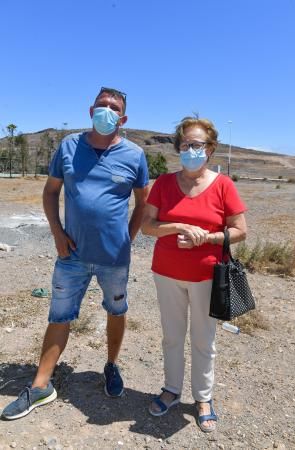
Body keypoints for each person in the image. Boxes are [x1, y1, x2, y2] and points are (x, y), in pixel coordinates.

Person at [2, 87, 149, 420]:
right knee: (60, 314)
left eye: (114, 108)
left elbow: (143, 203)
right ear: (91, 110)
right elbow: (51, 192)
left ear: (122, 118)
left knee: (116, 309)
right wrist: (57, 233)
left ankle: (111, 366)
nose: (107, 111)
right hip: (72, 254)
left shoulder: (134, 155)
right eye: (102, 105)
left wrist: (128, 238)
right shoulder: (69, 146)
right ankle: (41, 384)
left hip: (115, 258)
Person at [141, 116, 247, 432]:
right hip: (166, 274)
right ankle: (172, 390)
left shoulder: (223, 185)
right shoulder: (162, 183)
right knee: (171, 336)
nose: (190, 149)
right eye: (185, 144)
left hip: (206, 277)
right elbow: (148, 226)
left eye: (197, 144)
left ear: (210, 148)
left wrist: (208, 237)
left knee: (204, 339)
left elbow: (241, 230)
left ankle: (203, 398)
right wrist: (177, 227)